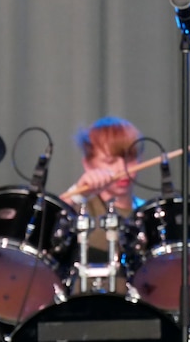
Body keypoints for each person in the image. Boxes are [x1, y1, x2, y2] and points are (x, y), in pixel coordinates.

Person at [62, 116, 146, 293]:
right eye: (110, 161)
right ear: (88, 164)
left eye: (130, 159)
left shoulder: (148, 216)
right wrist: (79, 192)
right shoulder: (76, 209)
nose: (122, 169)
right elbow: (44, 223)